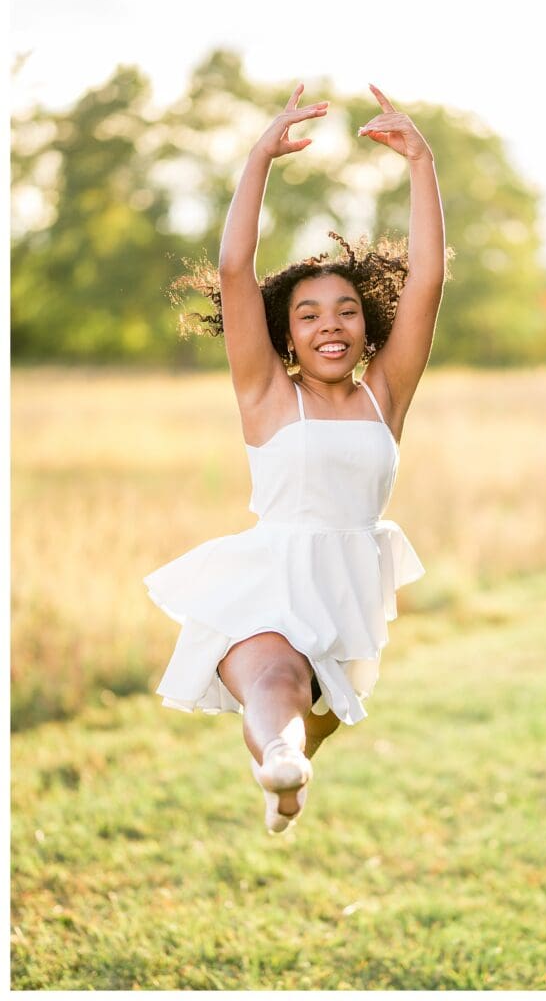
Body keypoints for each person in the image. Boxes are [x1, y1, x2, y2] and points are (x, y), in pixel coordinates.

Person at [143, 82, 447, 833]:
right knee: (276, 677)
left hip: (344, 586)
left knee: (322, 711)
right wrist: (259, 158)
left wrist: (422, 164)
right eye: (308, 315)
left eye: (346, 310)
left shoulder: (386, 394)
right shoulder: (266, 394)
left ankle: (295, 764)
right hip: (267, 574)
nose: (330, 325)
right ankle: (281, 762)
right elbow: (235, 269)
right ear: (286, 336)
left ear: (368, 324)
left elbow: (430, 280)